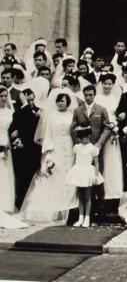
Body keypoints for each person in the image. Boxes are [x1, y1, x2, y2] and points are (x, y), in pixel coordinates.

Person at [20, 90, 78, 224]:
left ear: (68, 102)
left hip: (69, 147)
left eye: (63, 101)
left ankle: (68, 209)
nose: (60, 103)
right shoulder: (51, 115)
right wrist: (49, 153)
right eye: (58, 101)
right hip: (55, 146)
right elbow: (48, 134)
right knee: (56, 175)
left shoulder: (71, 115)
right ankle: (55, 209)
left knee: (68, 176)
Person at [9, 89, 42, 208]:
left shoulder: (39, 112)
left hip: (35, 150)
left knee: (34, 177)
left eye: (32, 100)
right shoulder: (18, 113)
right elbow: (13, 130)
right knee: (23, 178)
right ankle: (22, 203)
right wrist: (16, 138)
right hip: (23, 150)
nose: (31, 102)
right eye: (28, 100)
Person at [66, 126, 104, 228]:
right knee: (80, 197)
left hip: (87, 172)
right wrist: (72, 171)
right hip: (79, 171)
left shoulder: (92, 148)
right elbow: (75, 160)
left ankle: (87, 218)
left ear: (89, 136)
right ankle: (80, 217)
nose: (83, 140)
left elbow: (96, 163)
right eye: (81, 138)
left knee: (87, 197)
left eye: (85, 137)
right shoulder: (77, 147)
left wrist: (96, 175)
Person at [0, 86, 15, 213]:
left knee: (6, 173)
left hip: (8, 143)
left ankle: (7, 204)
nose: (4, 98)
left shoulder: (10, 112)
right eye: (1, 96)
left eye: (5, 96)